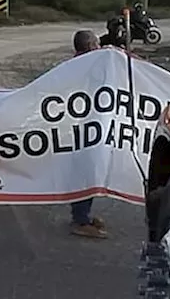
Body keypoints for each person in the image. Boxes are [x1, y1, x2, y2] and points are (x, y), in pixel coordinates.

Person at [68, 30, 109, 239]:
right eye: (97, 43)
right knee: (85, 173)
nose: (100, 46)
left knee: (88, 172)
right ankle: (80, 220)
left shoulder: (77, 64)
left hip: (87, 127)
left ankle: (83, 215)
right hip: (82, 129)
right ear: (91, 46)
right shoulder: (87, 66)